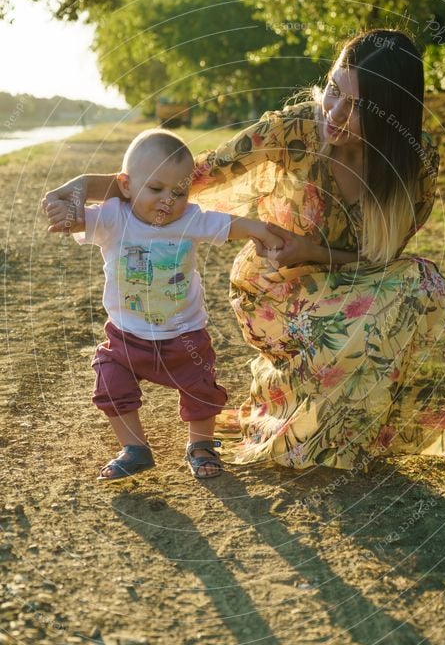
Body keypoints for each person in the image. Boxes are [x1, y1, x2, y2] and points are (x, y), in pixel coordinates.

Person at [43, 29, 445, 472]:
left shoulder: (413, 159)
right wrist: (86, 185)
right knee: (358, 327)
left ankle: (358, 420)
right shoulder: (294, 129)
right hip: (278, 281)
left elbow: (383, 257)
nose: (336, 113)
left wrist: (314, 249)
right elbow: (192, 175)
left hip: (352, 275)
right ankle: (307, 417)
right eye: (333, 91)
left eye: (358, 107)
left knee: (426, 291)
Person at [45, 128, 283, 480]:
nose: (168, 200)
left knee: (201, 388)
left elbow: (227, 224)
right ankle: (134, 448)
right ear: (126, 186)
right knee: (110, 381)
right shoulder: (114, 217)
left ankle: (200, 445)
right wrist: (64, 213)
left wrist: (260, 230)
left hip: (183, 334)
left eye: (179, 192)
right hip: (127, 336)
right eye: (155, 189)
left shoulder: (190, 220)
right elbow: (80, 220)